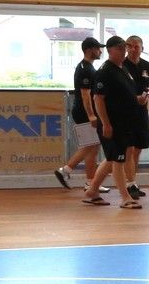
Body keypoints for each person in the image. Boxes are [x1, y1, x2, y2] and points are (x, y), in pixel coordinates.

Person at [83, 36, 143, 209]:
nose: (124, 51)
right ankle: (125, 197)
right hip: (113, 124)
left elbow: (123, 94)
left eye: (124, 48)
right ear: (109, 50)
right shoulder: (105, 72)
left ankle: (92, 190)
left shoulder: (122, 69)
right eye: (120, 48)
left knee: (111, 158)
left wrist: (136, 99)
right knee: (118, 160)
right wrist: (106, 124)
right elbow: (98, 99)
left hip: (125, 122)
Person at [55, 37, 104, 192]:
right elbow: (85, 94)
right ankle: (65, 170)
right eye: (97, 48)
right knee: (90, 145)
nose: (100, 51)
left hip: (86, 112)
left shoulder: (89, 67)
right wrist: (91, 115)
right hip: (84, 113)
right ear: (89, 50)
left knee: (93, 147)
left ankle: (90, 182)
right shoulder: (85, 69)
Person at [122, 35, 149, 200]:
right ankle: (130, 183)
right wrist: (133, 98)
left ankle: (133, 182)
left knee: (138, 148)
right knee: (128, 149)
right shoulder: (121, 65)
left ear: (142, 48)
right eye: (130, 46)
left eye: (136, 46)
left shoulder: (147, 66)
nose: (133, 49)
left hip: (142, 112)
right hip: (126, 112)